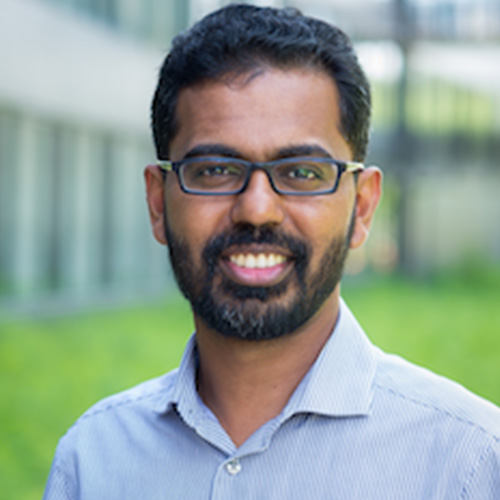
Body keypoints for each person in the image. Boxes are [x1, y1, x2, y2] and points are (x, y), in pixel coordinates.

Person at [43, 4, 500, 499]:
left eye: (302, 172)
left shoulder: (469, 465)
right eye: (215, 169)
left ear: (363, 206)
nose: (256, 209)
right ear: (158, 202)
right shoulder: (93, 461)